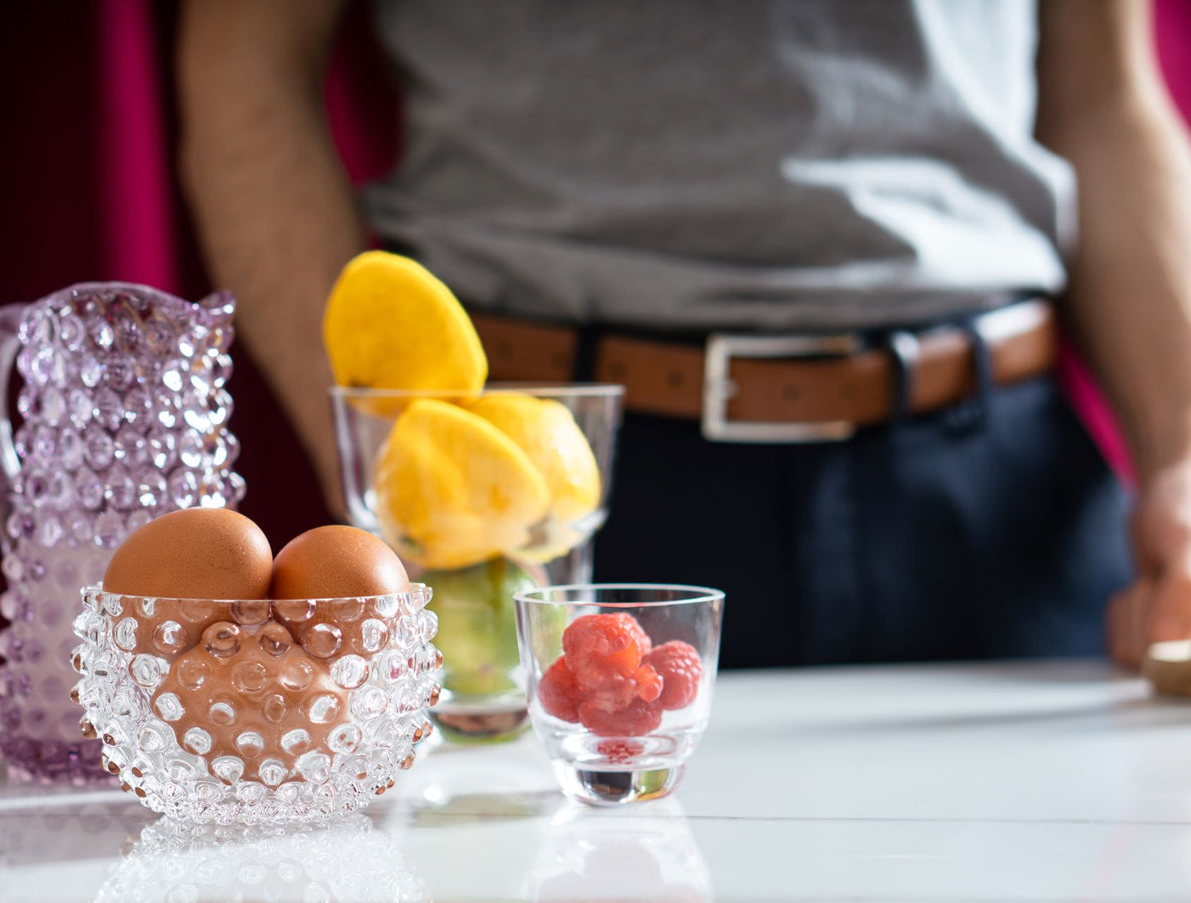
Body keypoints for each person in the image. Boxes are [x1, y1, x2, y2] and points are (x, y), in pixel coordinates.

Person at [177, 0, 1191, 668]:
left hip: (998, 487)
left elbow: (1106, 95)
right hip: (545, 494)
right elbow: (246, 64)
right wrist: (386, 483)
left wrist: (1182, 457)